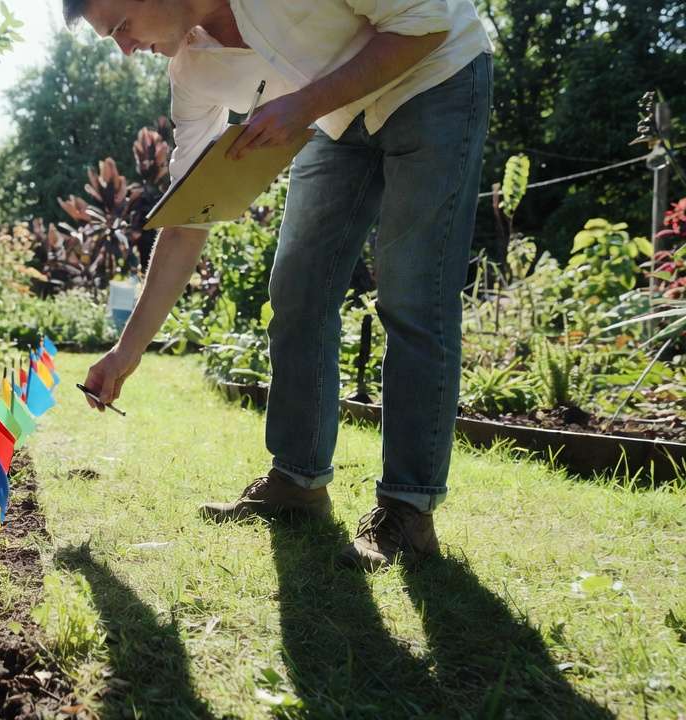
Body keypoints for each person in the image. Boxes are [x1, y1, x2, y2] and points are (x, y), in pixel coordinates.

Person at [69, 0, 493, 570]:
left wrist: (302, 105)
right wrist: (126, 351)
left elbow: (425, 22)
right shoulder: (191, 71)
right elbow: (188, 217)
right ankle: (298, 482)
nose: (123, 48)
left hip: (434, 75)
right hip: (335, 116)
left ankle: (408, 512)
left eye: (120, 26)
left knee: (413, 295)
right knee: (298, 292)